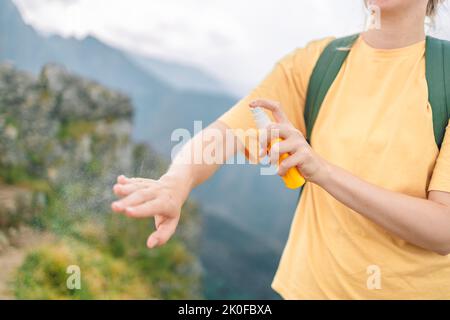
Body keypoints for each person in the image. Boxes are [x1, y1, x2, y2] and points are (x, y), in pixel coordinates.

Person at [111, 0, 450, 299]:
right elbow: (225, 132)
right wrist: (176, 182)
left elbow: (443, 230)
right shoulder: (318, 62)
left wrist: (324, 172)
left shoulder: (444, 77)